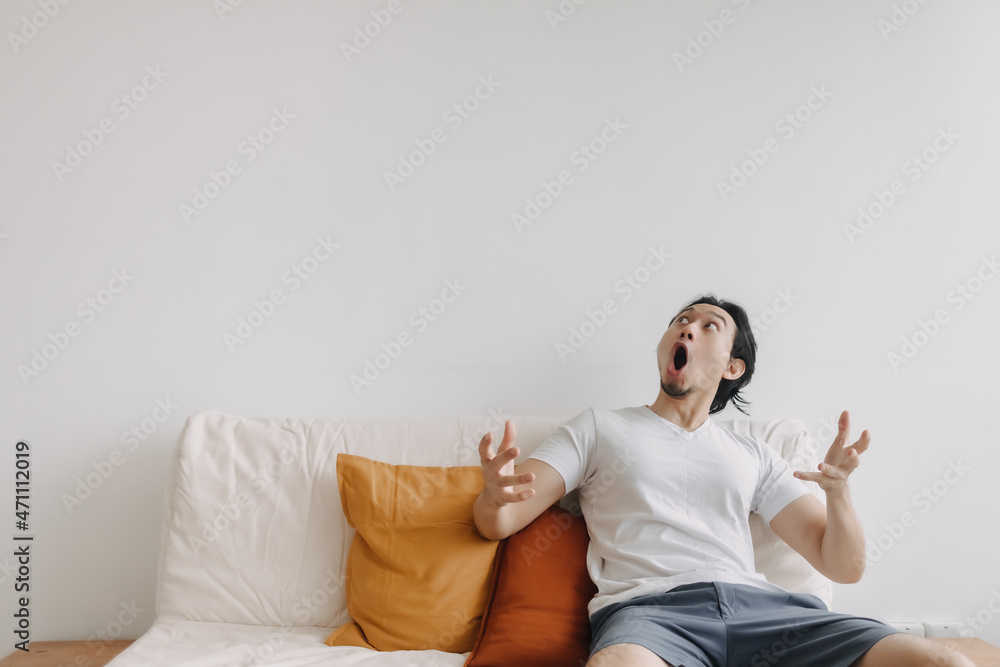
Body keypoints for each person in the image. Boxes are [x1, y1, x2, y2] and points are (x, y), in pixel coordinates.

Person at [473, 294, 973, 666]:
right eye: (680, 321)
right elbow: (500, 520)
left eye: (708, 325)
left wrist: (838, 492)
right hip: (652, 616)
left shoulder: (753, 454)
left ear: (733, 366)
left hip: (768, 614)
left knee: (943, 661)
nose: (688, 328)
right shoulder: (599, 428)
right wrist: (495, 496)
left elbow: (844, 566)